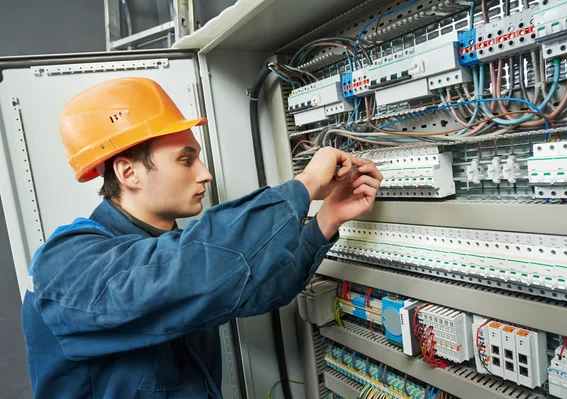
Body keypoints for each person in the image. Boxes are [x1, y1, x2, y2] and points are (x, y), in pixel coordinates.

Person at [21, 77, 382, 399]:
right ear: (129, 172)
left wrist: (327, 218)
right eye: (186, 160)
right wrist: (305, 185)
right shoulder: (66, 263)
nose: (205, 174)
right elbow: (188, 270)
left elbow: (253, 289)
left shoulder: (170, 254)